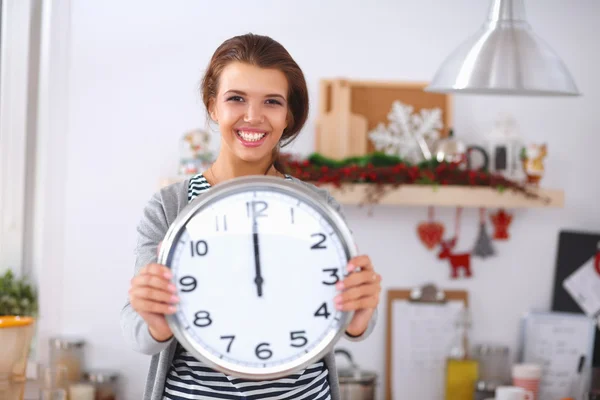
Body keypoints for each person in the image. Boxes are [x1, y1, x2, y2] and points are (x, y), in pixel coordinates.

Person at [121, 33, 382, 400]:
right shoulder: (169, 207)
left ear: (288, 114)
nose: (253, 116)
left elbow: (351, 317)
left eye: (272, 102)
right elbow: (135, 329)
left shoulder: (319, 207)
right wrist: (153, 316)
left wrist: (359, 317)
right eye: (236, 98)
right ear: (213, 106)